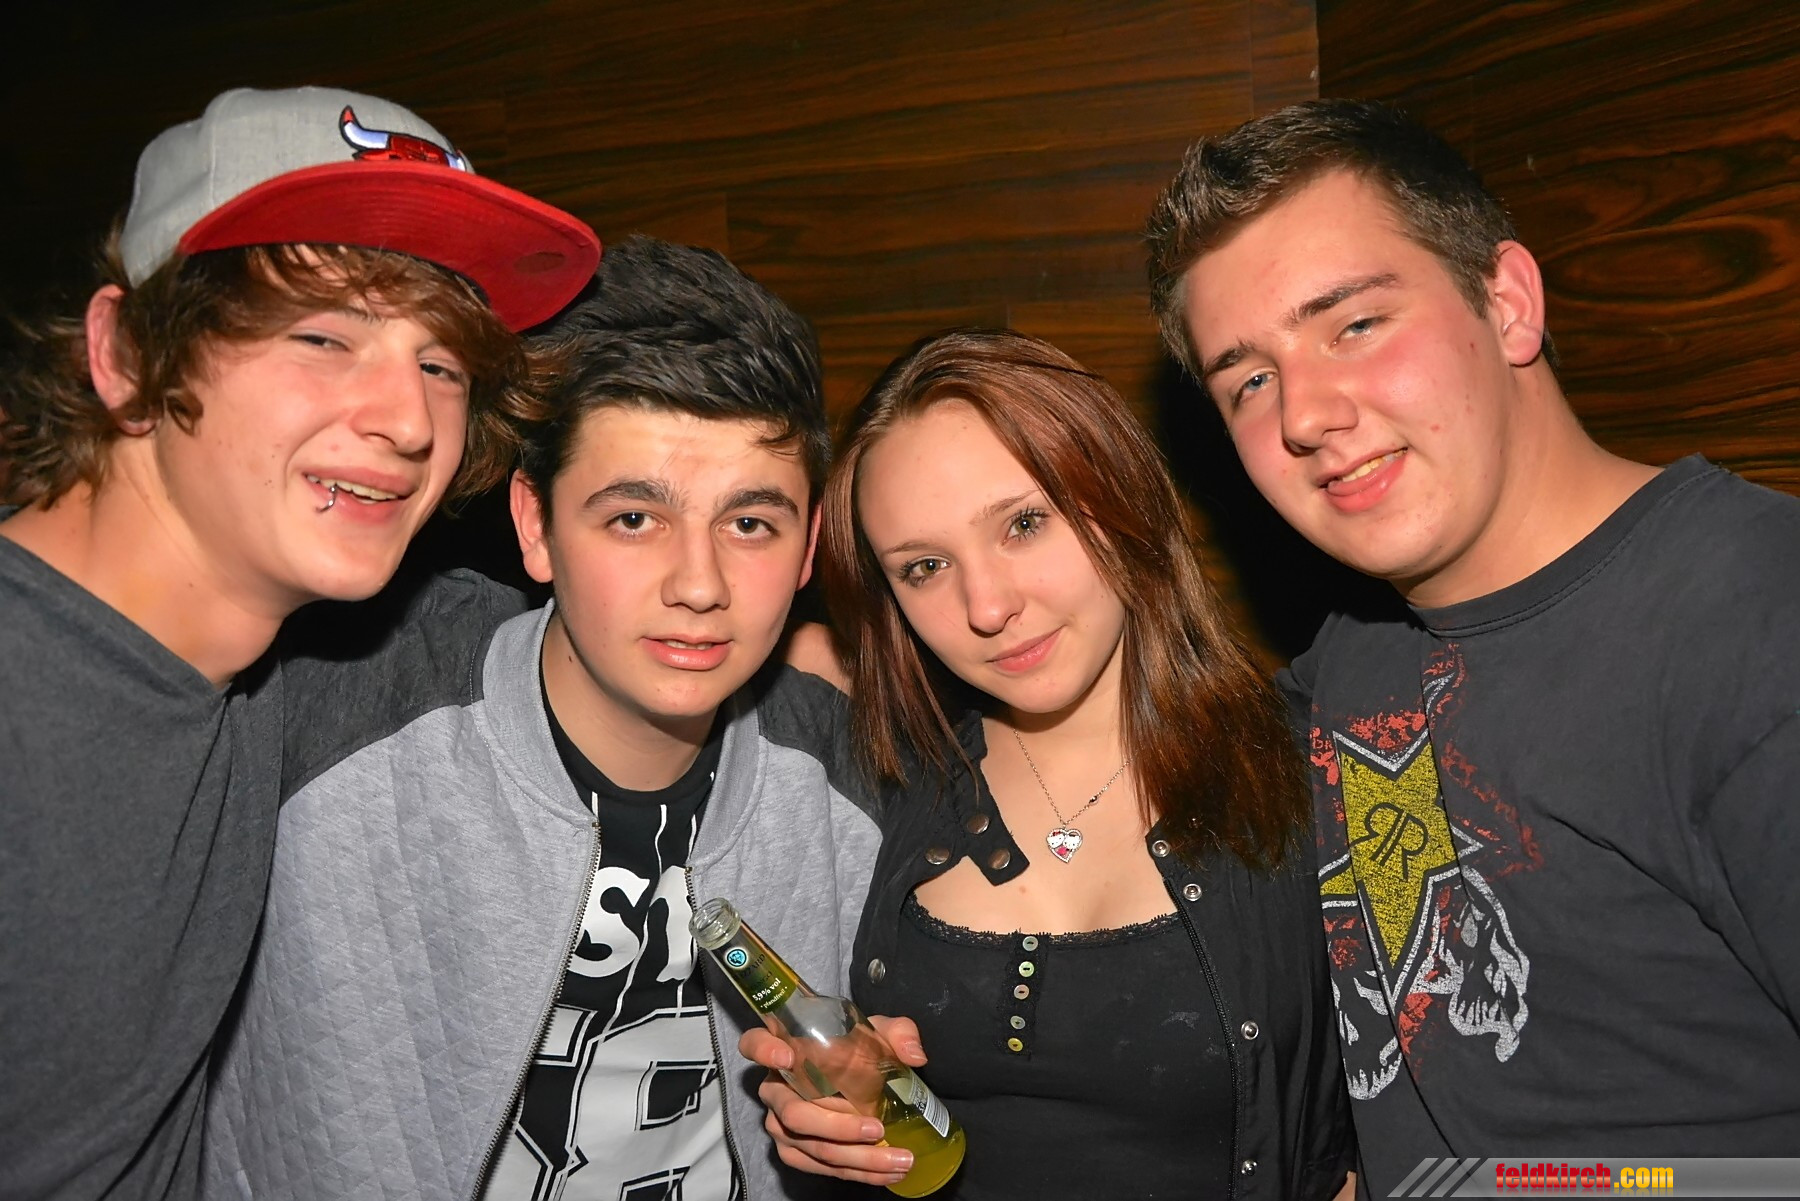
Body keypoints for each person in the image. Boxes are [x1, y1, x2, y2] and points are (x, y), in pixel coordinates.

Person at [1144, 98, 1800, 1193]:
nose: (1304, 413)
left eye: (1355, 324)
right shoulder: (1357, 653)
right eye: (1249, 379)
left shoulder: (1756, 621)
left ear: (1506, 304)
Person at [0, 85, 597, 1201]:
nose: (409, 421)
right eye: (323, 336)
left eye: (442, 364)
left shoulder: (278, 648)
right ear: (126, 351)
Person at [201, 236, 879, 1201]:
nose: (700, 585)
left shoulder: (859, 769)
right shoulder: (330, 691)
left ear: (809, 547)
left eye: (749, 523)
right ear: (535, 523)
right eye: (634, 518)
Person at [747, 329, 1351, 1200]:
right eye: (925, 567)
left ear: (1121, 493)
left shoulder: (1316, 768)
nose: (987, 605)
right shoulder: (876, 787)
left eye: (1024, 523)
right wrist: (833, 1124)